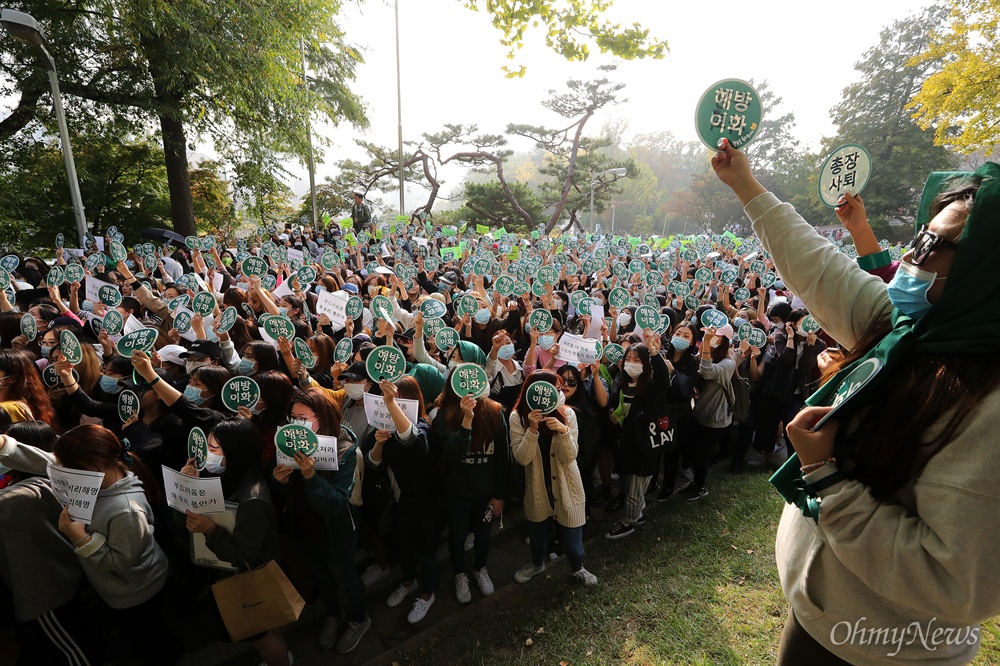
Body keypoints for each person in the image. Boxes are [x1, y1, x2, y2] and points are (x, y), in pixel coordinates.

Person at [712, 139, 1000, 665]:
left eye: (932, 246)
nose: (911, 257)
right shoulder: (912, 330)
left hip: (882, 652)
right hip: (821, 623)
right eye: (918, 238)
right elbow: (822, 270)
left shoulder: (990, 409)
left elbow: (959, 585)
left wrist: (825, 474)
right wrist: (746, 185)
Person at [0, 424, 177, 664]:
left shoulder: (126, 509)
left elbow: (121, 561)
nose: (57, 471)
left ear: (89, 468)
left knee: (146, 640)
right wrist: (5, 446)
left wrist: (79, 537)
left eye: (64, 467)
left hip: (135, 591)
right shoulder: (98, 472)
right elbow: (46, 462)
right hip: (113, 589)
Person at [180, 418, 290, 666]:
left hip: (250, 579)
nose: (207, 454)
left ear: (236, 452)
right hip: (229, 574)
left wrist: (209, 530)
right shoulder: (227, 478)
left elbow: (243, 556)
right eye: (207, 446)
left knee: (260, 636)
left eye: (214, 449)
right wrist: (190, 485)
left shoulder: (253, 498)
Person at [509, 371, 597, 587]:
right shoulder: (517, 417)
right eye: (555, 390)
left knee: (573, 542)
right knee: (537, 537)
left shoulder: (568, 413)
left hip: (568, 486)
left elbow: (570, 456)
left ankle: (578, 567)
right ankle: (537, 564)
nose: (560, 393)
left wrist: (564, 432)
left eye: (559, 390)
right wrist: (532, 430)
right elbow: (522, 458)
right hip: (538, 487)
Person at [433, 376, 508, 604]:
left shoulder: (495, 412)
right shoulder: (444, 416)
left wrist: (498, 495)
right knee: (456, 539)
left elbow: (503, 458)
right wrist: (466, 421)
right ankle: (460, 574)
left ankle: (480, 568)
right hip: (457, 493)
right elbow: (452, 456)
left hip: (485, 493)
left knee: (484, 536)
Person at [604, 330, 672, 540]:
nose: (631, 363)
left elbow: (663, 377)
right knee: (630, 483)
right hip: (627, 444)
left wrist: (654, 353)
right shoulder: (622, 384)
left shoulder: (651, 386)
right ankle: (638, 513)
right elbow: (622, 409)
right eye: (628, 359)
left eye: (637, 360)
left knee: (634, 488)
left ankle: (628, 521)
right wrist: (615, 417)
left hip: (644, 446)